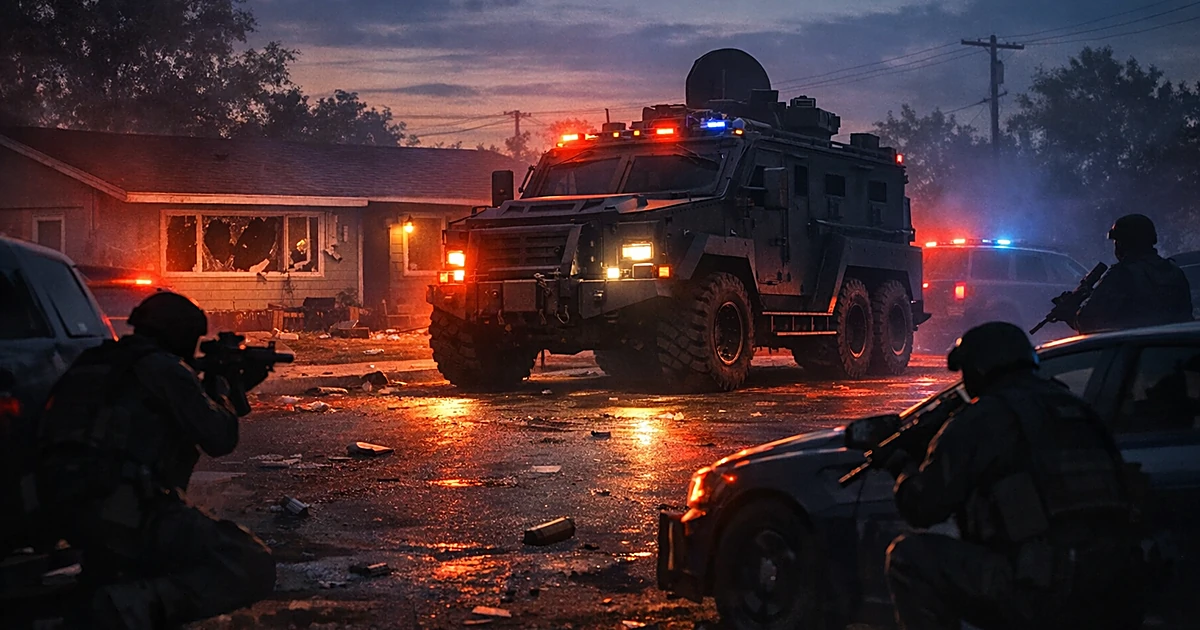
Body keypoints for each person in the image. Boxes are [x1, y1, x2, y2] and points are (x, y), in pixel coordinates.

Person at [36, 292, 275, 628]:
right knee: (249, 562)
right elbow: (220, 438)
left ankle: (111, 598)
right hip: (123, 508)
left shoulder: (93, 361)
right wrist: (223, 390)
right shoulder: (164, 370)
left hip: (59, 505)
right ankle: (126, 608)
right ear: (183, 336)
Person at [883, 322, 1144, 630]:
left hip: (1041, 587)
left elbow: (923, 508)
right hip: (1115, 585)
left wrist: (902, 465)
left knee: (908, 557)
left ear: (979, 370)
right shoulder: (1077, 409)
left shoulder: (983, 418)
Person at [1073, 213, 1192, 333]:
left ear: (1122, 244)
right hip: (1173, 345)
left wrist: (1072, 314)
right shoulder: (1172, 270)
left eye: (1117, 242)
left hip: (1139, 345)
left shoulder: (1122, 274)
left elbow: (1088, 322)